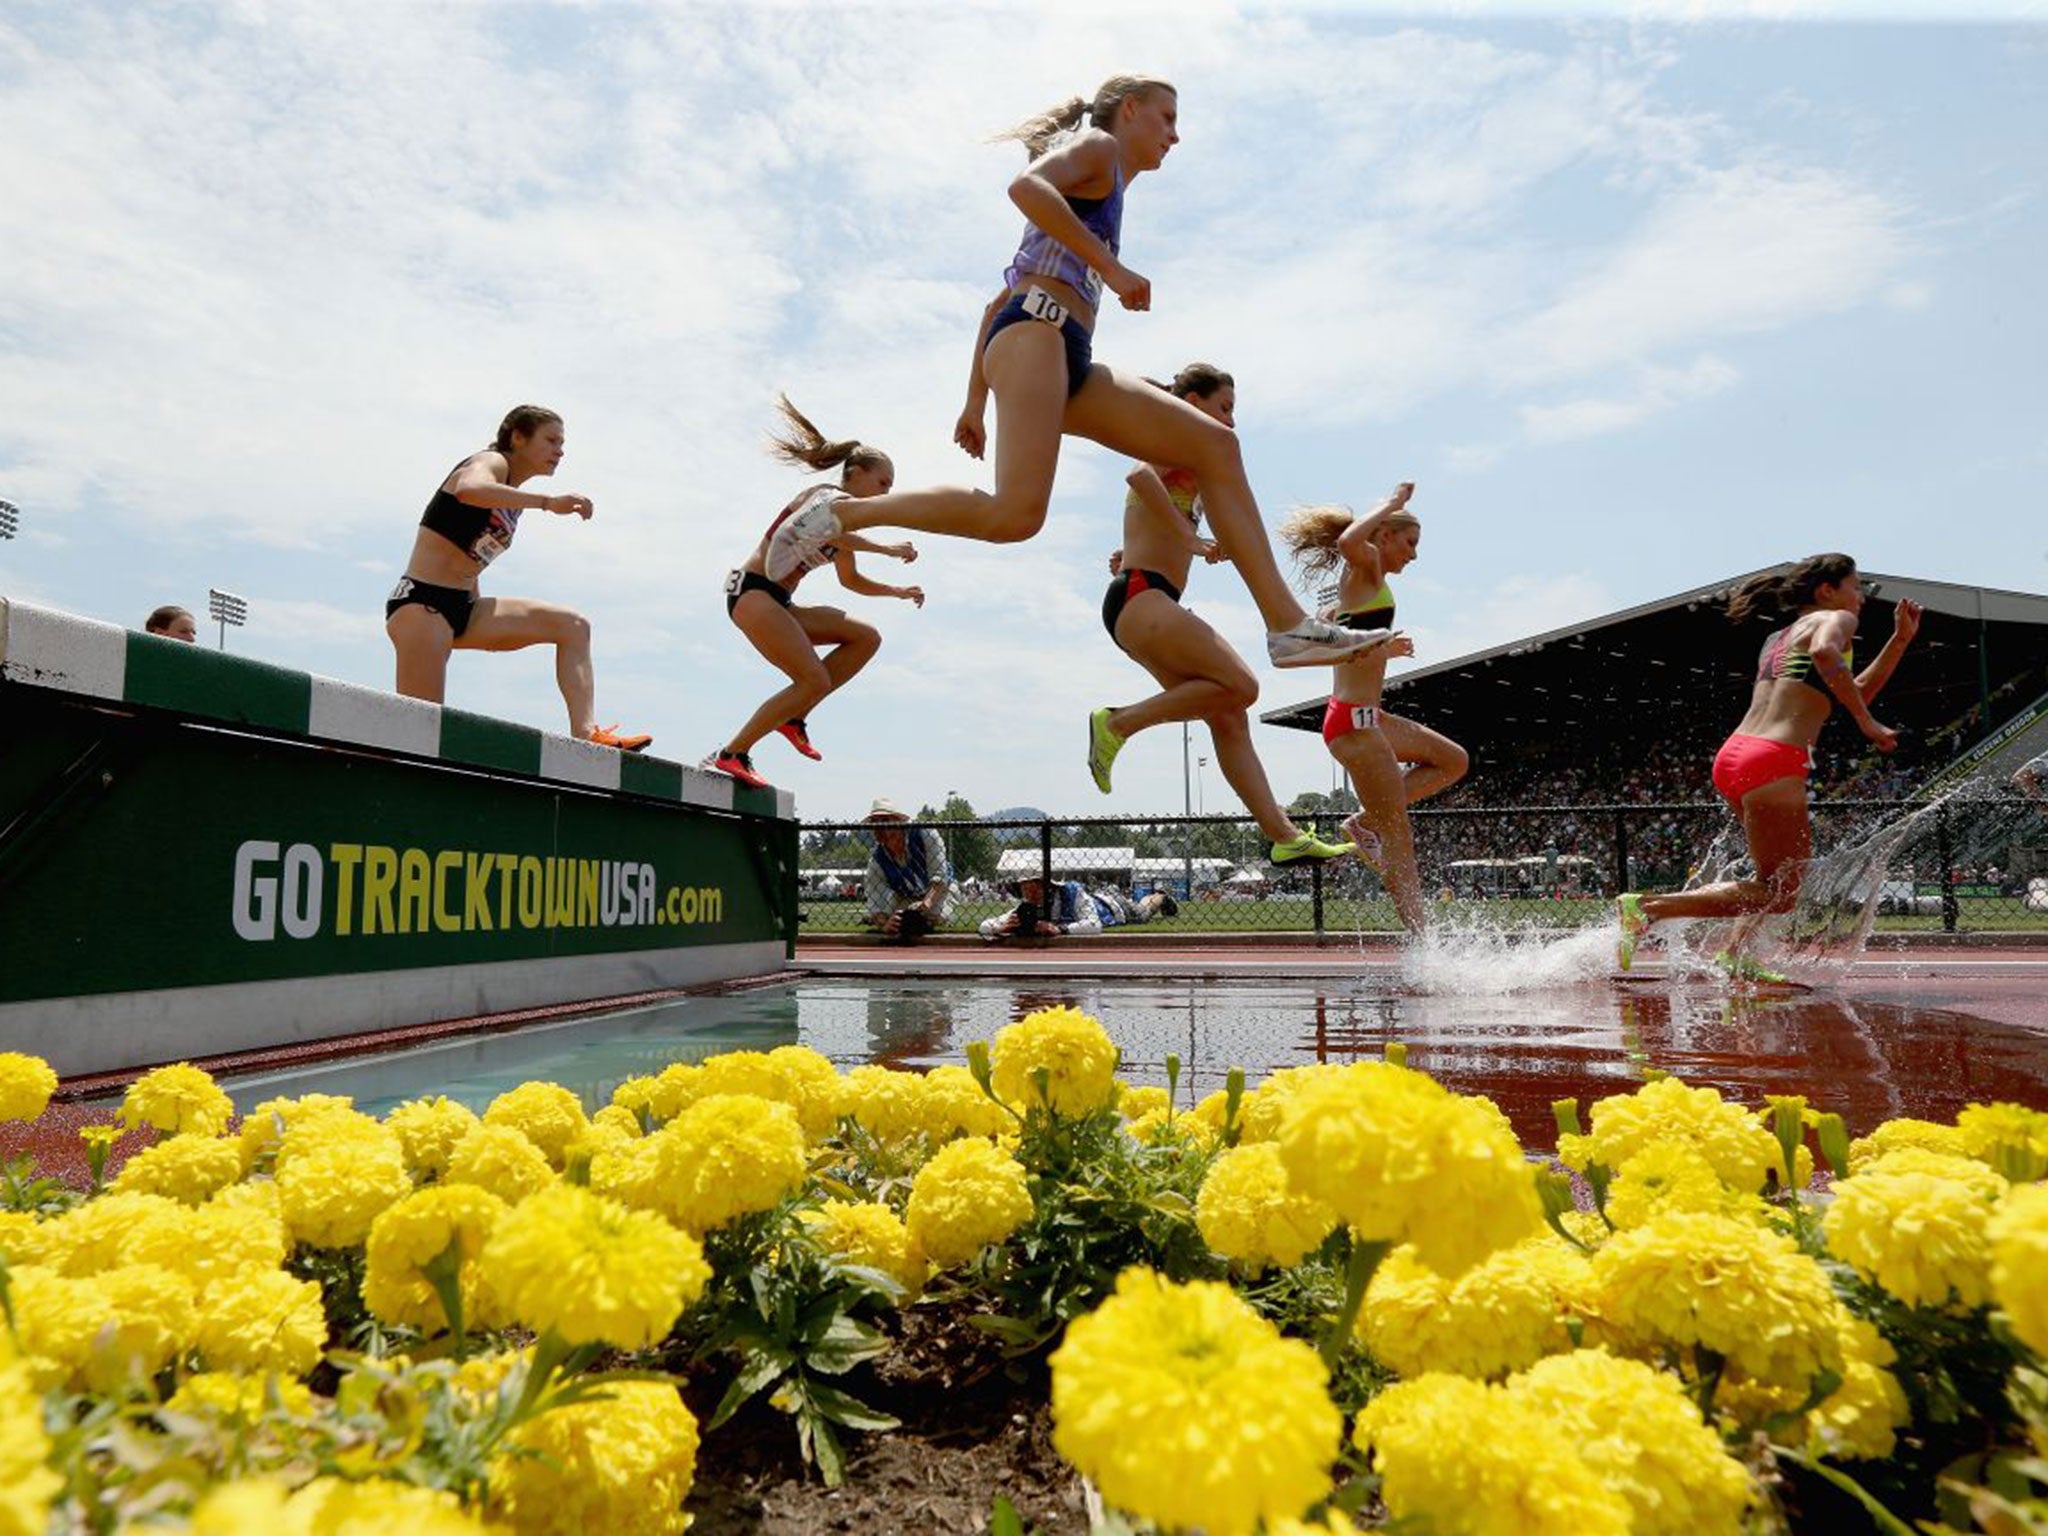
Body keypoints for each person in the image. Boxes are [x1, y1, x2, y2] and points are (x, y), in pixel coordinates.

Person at [764, 76, 1384, 670]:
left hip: (1062, 350)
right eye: (1168, 118)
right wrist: (1112, 273)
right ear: (1132, 108)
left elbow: (991, 301)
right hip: (1036, 331)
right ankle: (842, 515)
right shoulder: (1098, 148)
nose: (1175, 135)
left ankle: (1286, 627)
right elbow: (1025, 189)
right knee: (1015, 515)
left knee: (1213, 445)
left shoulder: (1111, 182)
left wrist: (974, 403)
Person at [1086, 362, 1376, 866]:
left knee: (1228, 715)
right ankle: (1118, 723)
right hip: (1141, 596)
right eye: (1225, 408)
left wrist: (1156, 542)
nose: (1232, 422)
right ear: (1193, 403)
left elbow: (1146, 511)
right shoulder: (1172, 437)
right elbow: (1138, 474)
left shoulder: (1189, 457)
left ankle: (1282, 835)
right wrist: (1189, 539)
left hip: (1144, 598)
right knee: (1243, 686)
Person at [1616, 554, 1921, 978]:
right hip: (1774, 759)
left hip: (1736, 754)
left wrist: (1899, 641)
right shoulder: (1835, 620)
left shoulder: (1778, 636)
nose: (1861, 598)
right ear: (1826, 590)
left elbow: (1852, 688)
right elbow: (1825, 654)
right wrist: (1865, 723)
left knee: (1774, 882)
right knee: (1780, 893)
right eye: (1856, 586)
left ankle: (1737, 954)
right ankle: (1650, 907)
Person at [386, 405, 649, 751]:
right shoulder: (491, 462)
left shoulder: (511, 500)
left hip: (463, 608)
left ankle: (586, 734)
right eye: (551, 440)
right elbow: (468, 488)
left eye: (563, 443)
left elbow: (471, 554)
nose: (560, 451)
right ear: (518, 437)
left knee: (573, 626)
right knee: (419, 734)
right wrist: (547, 502)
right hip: (423, 606)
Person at [708, 400, 925, 789]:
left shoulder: (845, 519)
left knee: (866, 637)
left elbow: (850, 580)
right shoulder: (825, 498)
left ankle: (794, 718)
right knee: (813, 678)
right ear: (855, 475)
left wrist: (896, 591)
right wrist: (889, 549)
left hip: (780, 602)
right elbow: (833, 532)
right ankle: (731, 753)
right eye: (883, 484)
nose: (886, 493)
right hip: (753, 593)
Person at [1281, 487, 1468, 935]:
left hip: (1371, 719)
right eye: (1411, 543)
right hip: (1354, 725)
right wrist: (1391, 501)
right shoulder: (1362, 571)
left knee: (1454, 760)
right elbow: (1349, 543)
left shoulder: (1358, 587)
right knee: (1398, 837)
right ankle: (1424, 943)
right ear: (1383, 536)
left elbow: (1344, 646)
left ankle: (1361, 824)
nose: (1414, 556)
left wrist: (1380, 646)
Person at [861, 798, 958, 942]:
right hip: (906, 895)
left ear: (898, 821)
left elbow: (940, 874)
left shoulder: (925, 835)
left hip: (939, 890)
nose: (881, 827)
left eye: (885, 821)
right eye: (875, 823)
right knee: (899, 922)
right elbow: (875, 896)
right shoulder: (877, 860)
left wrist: (926, 903)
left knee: (934, 918)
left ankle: (933, 917)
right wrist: (884, 924)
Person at [980, 873, 1171, 941]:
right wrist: (1000, 928)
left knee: (1143, 912)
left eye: (1035, 888)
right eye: (1026, 889)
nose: (1031, 894)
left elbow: (1094, 926)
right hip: (1096, 902)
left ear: (1048, 886)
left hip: (1113, 907)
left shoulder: (1072, 891)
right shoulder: (1025, 909)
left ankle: (1160, 896)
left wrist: (1059, 929)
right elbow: (984, 926)